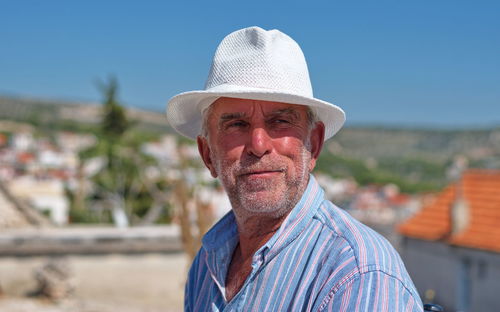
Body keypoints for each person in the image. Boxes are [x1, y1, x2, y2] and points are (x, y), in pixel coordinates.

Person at [167, 26, 423, 311]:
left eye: (280, 121)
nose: (259, 144)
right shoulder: (205, 266)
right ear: (207, 154)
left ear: (313, 144)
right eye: (237, 125)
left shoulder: (357, 273)